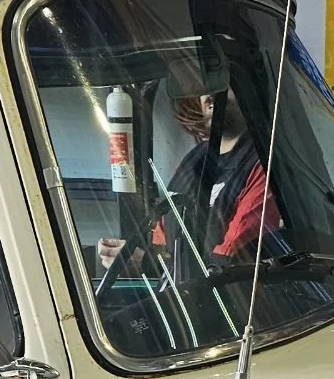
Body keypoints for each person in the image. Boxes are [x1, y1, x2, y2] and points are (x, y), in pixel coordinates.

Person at [96, 74, 284, 275]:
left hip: (233, 301)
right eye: (204, 84)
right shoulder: (193, 160)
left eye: (224, 81)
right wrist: (132, 256)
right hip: (178, 300)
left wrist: (147, 264)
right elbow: (162, 240)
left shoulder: (265, 162)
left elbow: (231, 261)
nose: (210, 94)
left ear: (251, 90)